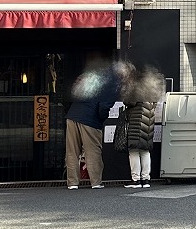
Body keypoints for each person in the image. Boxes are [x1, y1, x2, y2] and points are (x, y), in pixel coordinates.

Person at [65, 58, 122, 190]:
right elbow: (104, 106)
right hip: (90, 118)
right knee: (93, 151)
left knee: (72, 151)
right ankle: (95, 182)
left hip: (72, 114)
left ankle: (72, 183)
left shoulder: (90, 77)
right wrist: (100, 120)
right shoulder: (112, 83)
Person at [119, 63, 166, 188]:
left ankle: (136, 180)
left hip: (136, 120)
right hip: (149, 120)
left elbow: (129, 101)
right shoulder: (154, 84)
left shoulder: (137, 84)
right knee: (145, 151)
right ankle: (146, 179)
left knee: (134, 151)